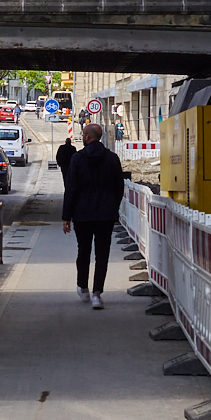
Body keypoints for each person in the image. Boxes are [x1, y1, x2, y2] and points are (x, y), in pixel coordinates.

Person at [61, 123, 125, 310]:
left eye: (83, 134)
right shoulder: (112, 159)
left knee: (83, 251)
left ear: (87, 137)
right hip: (105, 214)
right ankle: (98, 293)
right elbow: (119, 188)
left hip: (82, 214)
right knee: (102, 253)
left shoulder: (77, 158)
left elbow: (71, 188)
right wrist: (113, 207)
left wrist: (67, 216)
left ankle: (83, 287)